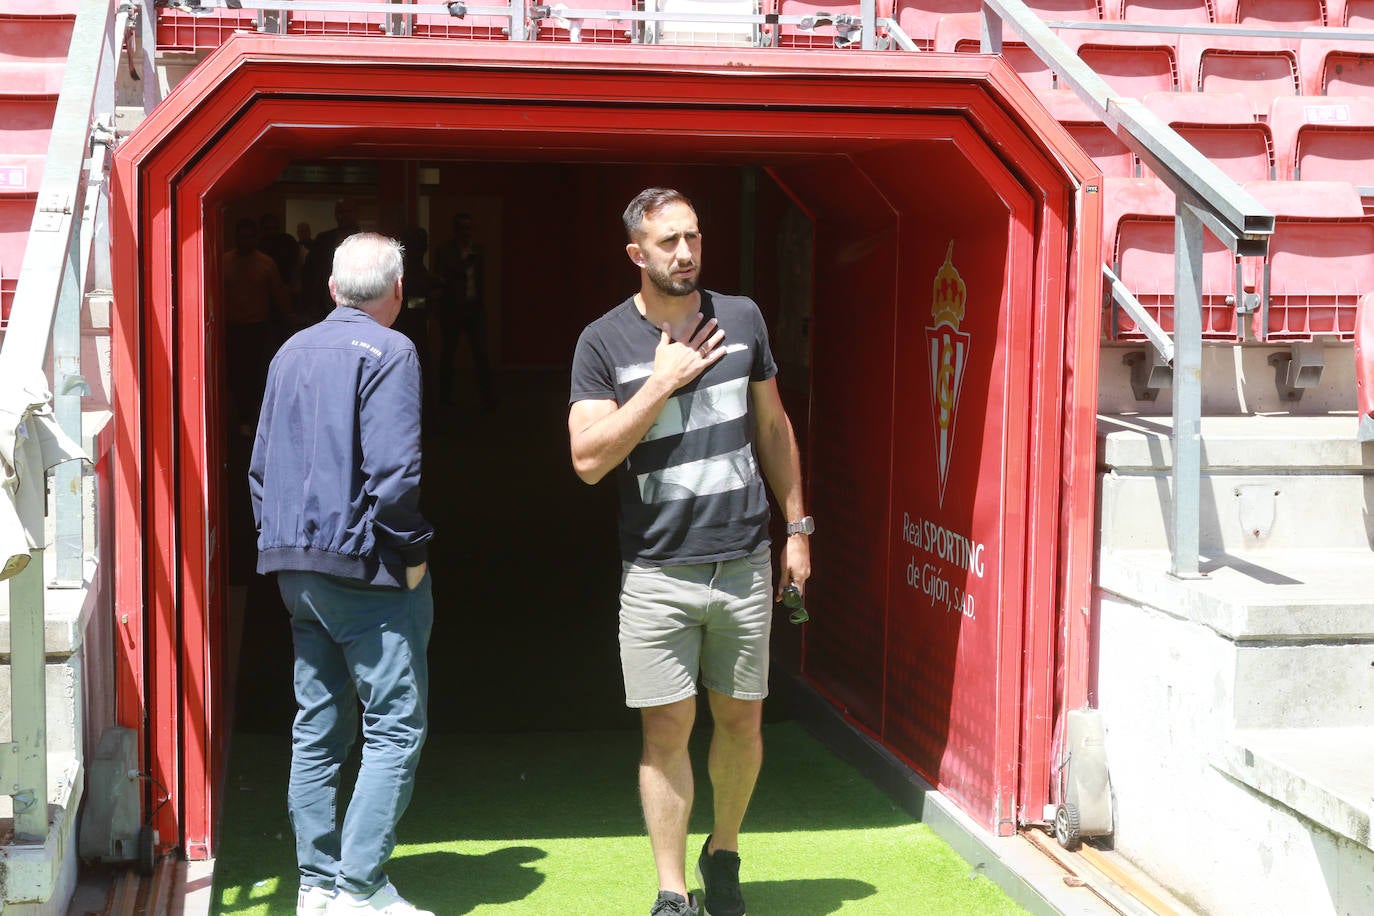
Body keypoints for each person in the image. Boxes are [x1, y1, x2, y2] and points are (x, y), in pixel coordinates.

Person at [567, 188, 812, 916]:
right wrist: (663, 383)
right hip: (656, 571)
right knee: (665, 730)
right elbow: (587, 460)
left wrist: (797, 529)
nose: (685, 252)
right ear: (636, 255)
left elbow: (772, 427)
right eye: (668, 241)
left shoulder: (741, 319)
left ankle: (723, 850)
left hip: (742, 561)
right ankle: (672, 892)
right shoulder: (603, 342)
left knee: (742, 723)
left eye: (693, 237)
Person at [249, 233, 435, 916]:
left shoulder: (289, 350)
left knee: (318, 724)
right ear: (397, 291)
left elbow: (261, 466)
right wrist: (412, 555)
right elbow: (395, 477)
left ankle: (317, 886)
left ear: (330, 288)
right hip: (367, 570)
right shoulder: (393, 350)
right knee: (394, 726)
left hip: (294, 565)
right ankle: (359, 888)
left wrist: (279, 545)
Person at [222, 216, 290, 436]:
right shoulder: (224, 261)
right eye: (241, 236)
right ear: (236, 237)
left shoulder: (266, 263)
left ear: (255, 238)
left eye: (249, 236)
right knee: (234, 375)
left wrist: (289, 322)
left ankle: (252, 419)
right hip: (230, 327)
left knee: (256, 376)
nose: (245, 240)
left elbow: (279, 296)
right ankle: (239, 419)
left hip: (257, 328)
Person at [432, 211, 495, 411]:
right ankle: (445, 398)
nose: (466, 232)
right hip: (452, 310)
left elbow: (481, 279)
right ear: (456, 230)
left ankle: (487, 398)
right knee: (448, 354)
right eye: (462, 228)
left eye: (469, 228)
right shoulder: (445, 251)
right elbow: (442, 276)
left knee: (482, 354)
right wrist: (462, 265)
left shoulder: (478, 250)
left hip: (474, 308)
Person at [302, 199, 362, 324]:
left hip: (358, 298)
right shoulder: (323, 240)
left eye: (348, 211)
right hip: (325, 301)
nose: (344, 215)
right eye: (340, 212)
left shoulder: (366, 240)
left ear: (356, 213)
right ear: (335, 214)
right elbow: (311, 273)